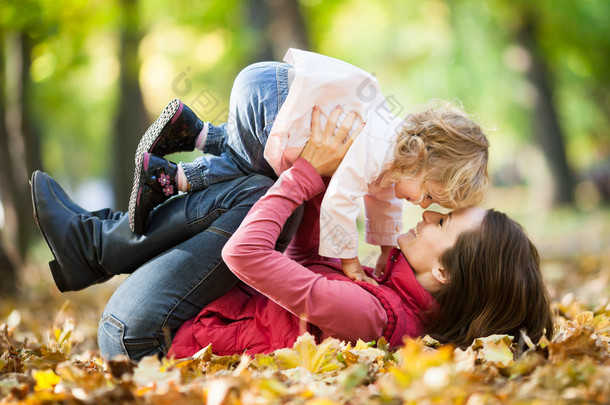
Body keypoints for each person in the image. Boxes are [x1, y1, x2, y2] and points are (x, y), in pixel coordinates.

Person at [32, 108, 552, 360]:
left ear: (442, 269)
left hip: (143, 340)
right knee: (262, 185)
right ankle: (96, 245)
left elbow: (246, 256)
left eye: (440, 224)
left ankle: (97, 246)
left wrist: (303, 174)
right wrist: (335, 173)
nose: (425, 216)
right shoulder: (391, 297)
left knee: (258, 192)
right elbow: (302, 257)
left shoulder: (373, 314)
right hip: (173, 323)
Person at [129, 48, 490, 285]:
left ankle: (190, 129)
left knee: (247, 147)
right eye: (428, 194)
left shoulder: (395, 154)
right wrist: (349, 263)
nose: (424, 206)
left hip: (270, 88)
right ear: (423, 158)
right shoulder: (379, 146)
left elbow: (384, 202)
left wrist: (383, 248)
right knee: (252, 168)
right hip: (275, 97)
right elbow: (340, 202)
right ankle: (168, 179)